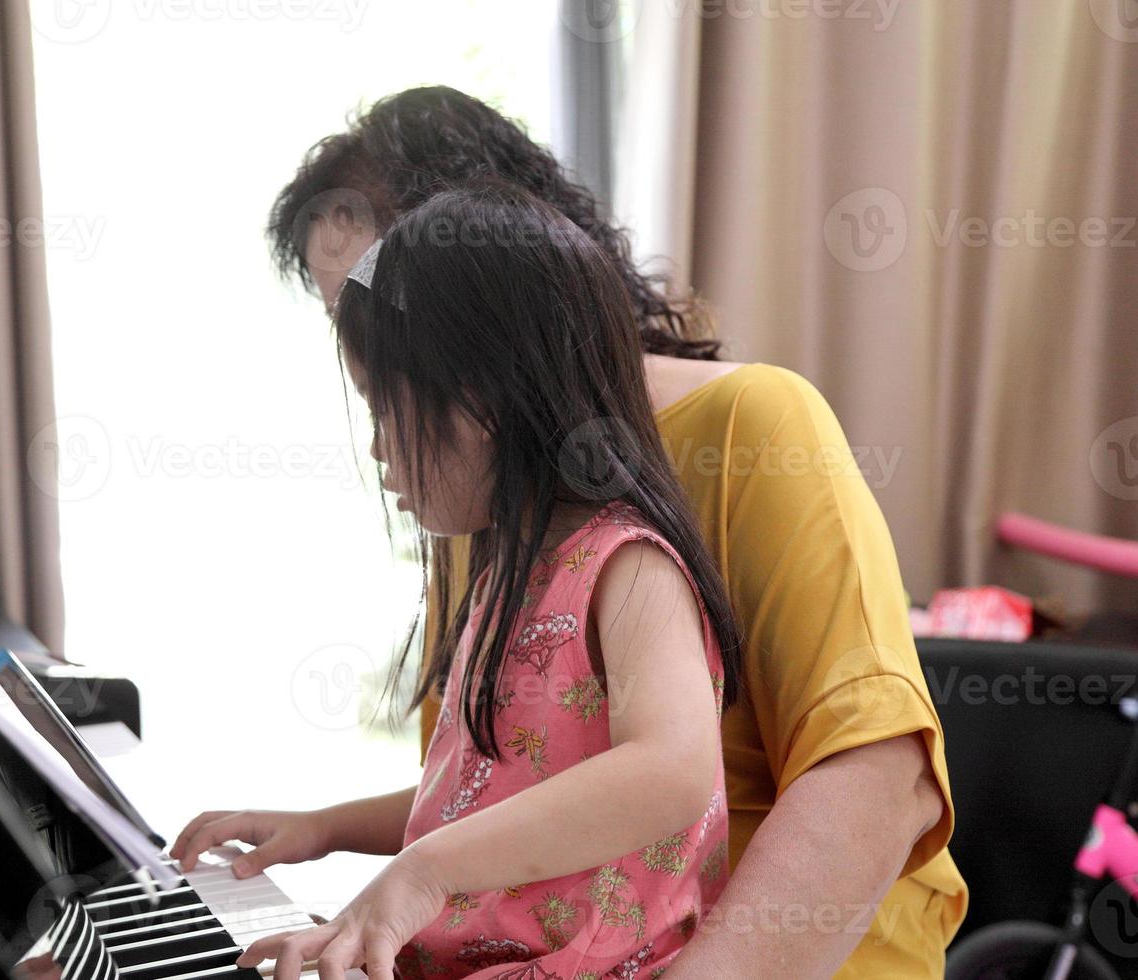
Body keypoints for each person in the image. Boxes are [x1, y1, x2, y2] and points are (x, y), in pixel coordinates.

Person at [174, 87, 967, 978]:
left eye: (400, 342)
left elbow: (877, 776)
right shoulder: (499, 509)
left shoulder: (746, 434)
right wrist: (327, 838)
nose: (380, 421)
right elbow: (497, 782)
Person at [239, 183, 741, 979]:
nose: (377, 449)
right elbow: (484, 792)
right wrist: (325, 827)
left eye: (384, 410)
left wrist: (422, 873)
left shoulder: (630, 565)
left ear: (482, 403)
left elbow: (674, 769)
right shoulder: (507, 564)